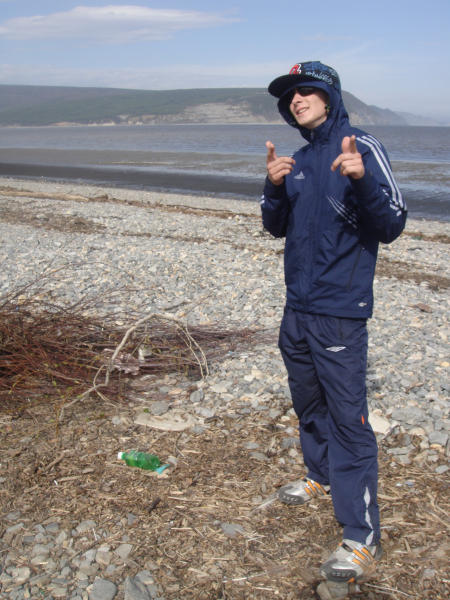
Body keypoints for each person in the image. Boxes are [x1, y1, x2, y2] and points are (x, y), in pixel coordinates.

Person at [261, 61, 407, 584]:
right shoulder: (298, 160)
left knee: (348, 420)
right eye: (290, 95)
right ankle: (319, 475)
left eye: (306, 91)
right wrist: (273, 188)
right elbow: (275, 227)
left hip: (341, 312)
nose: (296, 100)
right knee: (308, 402)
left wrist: (361, 180)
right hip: (296, 308)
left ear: (329, 96)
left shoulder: (360, 147)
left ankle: (361, 535)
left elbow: (392, 223)